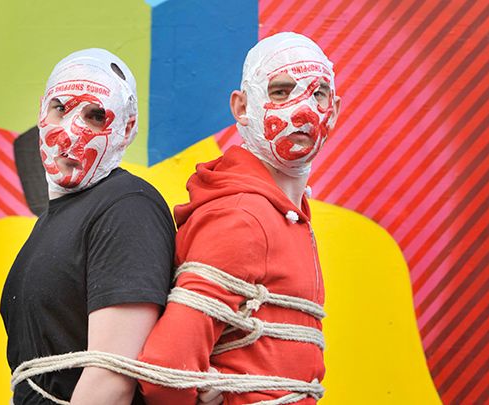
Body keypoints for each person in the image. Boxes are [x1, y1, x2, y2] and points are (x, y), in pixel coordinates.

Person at [138, 32, 341, 404]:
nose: (303, 110)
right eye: (281, 92)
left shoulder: (282, 213)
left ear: (336, 110)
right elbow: (164, 371)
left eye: (318, 94)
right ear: (242, 106)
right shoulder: (243, 217)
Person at [0, 49, 175, 405]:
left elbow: (111, 379)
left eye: (96, 116)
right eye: (60, 108)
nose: (70, 133)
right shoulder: (54, 219)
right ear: (41, 111)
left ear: (126, 130)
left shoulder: (127, 207)